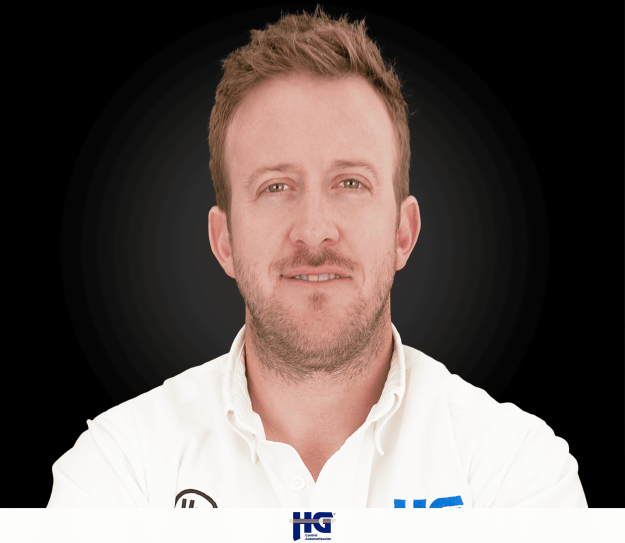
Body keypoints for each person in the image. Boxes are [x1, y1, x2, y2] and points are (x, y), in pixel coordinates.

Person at [48, 6, 587, 508]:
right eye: (276, 187)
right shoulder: (120, 469)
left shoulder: (514, 470)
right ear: (224, 241)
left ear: (404, 232)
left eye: (350, 183)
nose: (313, 231)